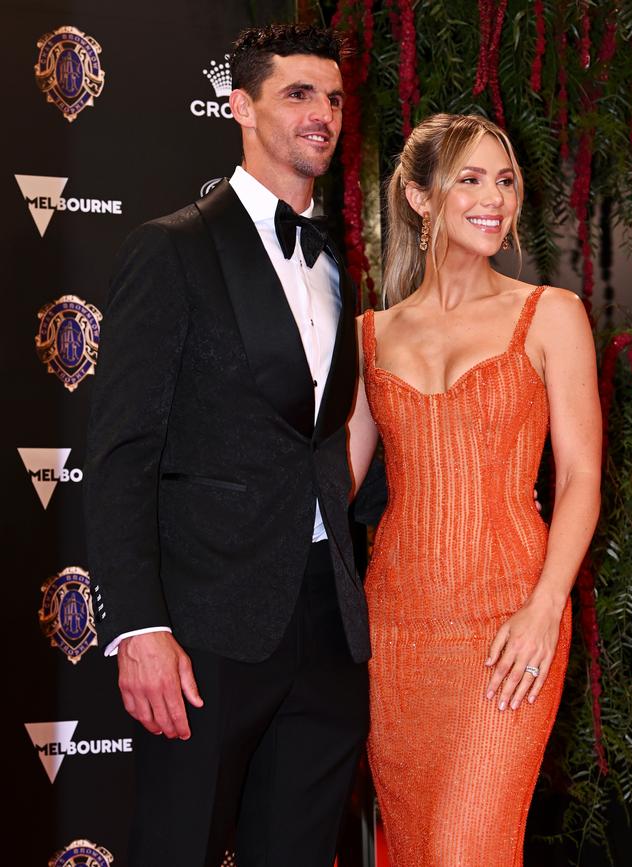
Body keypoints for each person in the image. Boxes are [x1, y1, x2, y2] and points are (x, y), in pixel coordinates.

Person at [84, 24, 372, 867]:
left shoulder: (337, 266)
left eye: (334, 98)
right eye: (297, 94)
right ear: (239, 105)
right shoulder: (171, 249)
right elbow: (122, 452)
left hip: (327, 627)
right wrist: (138, 625)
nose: (321, 113)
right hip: (206, 627)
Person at [347, 113, 602, 866]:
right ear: (422, 199)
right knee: (422, 849)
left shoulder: (550, 315)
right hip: (393, 636)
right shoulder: (372, 334)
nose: (495, 197)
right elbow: (331, 487)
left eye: (505, 179)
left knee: (465, 849)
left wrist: (545, 608)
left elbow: (582, 477)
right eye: (471, 178)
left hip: (508, 628)